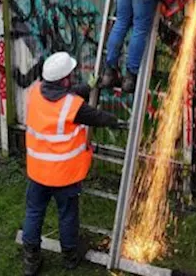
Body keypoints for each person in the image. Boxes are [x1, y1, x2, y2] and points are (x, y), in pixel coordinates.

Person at [22, 52, 123, 275]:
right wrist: (116, 122)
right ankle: (69, 255)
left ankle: (30, 258)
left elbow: (63, 95)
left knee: (34, 212)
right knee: (67, 214)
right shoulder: (73, 107)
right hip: (63, 175)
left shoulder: (35, 92)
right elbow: (95, 116)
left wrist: (89, 87)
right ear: (64, 80)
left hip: (37, 171)